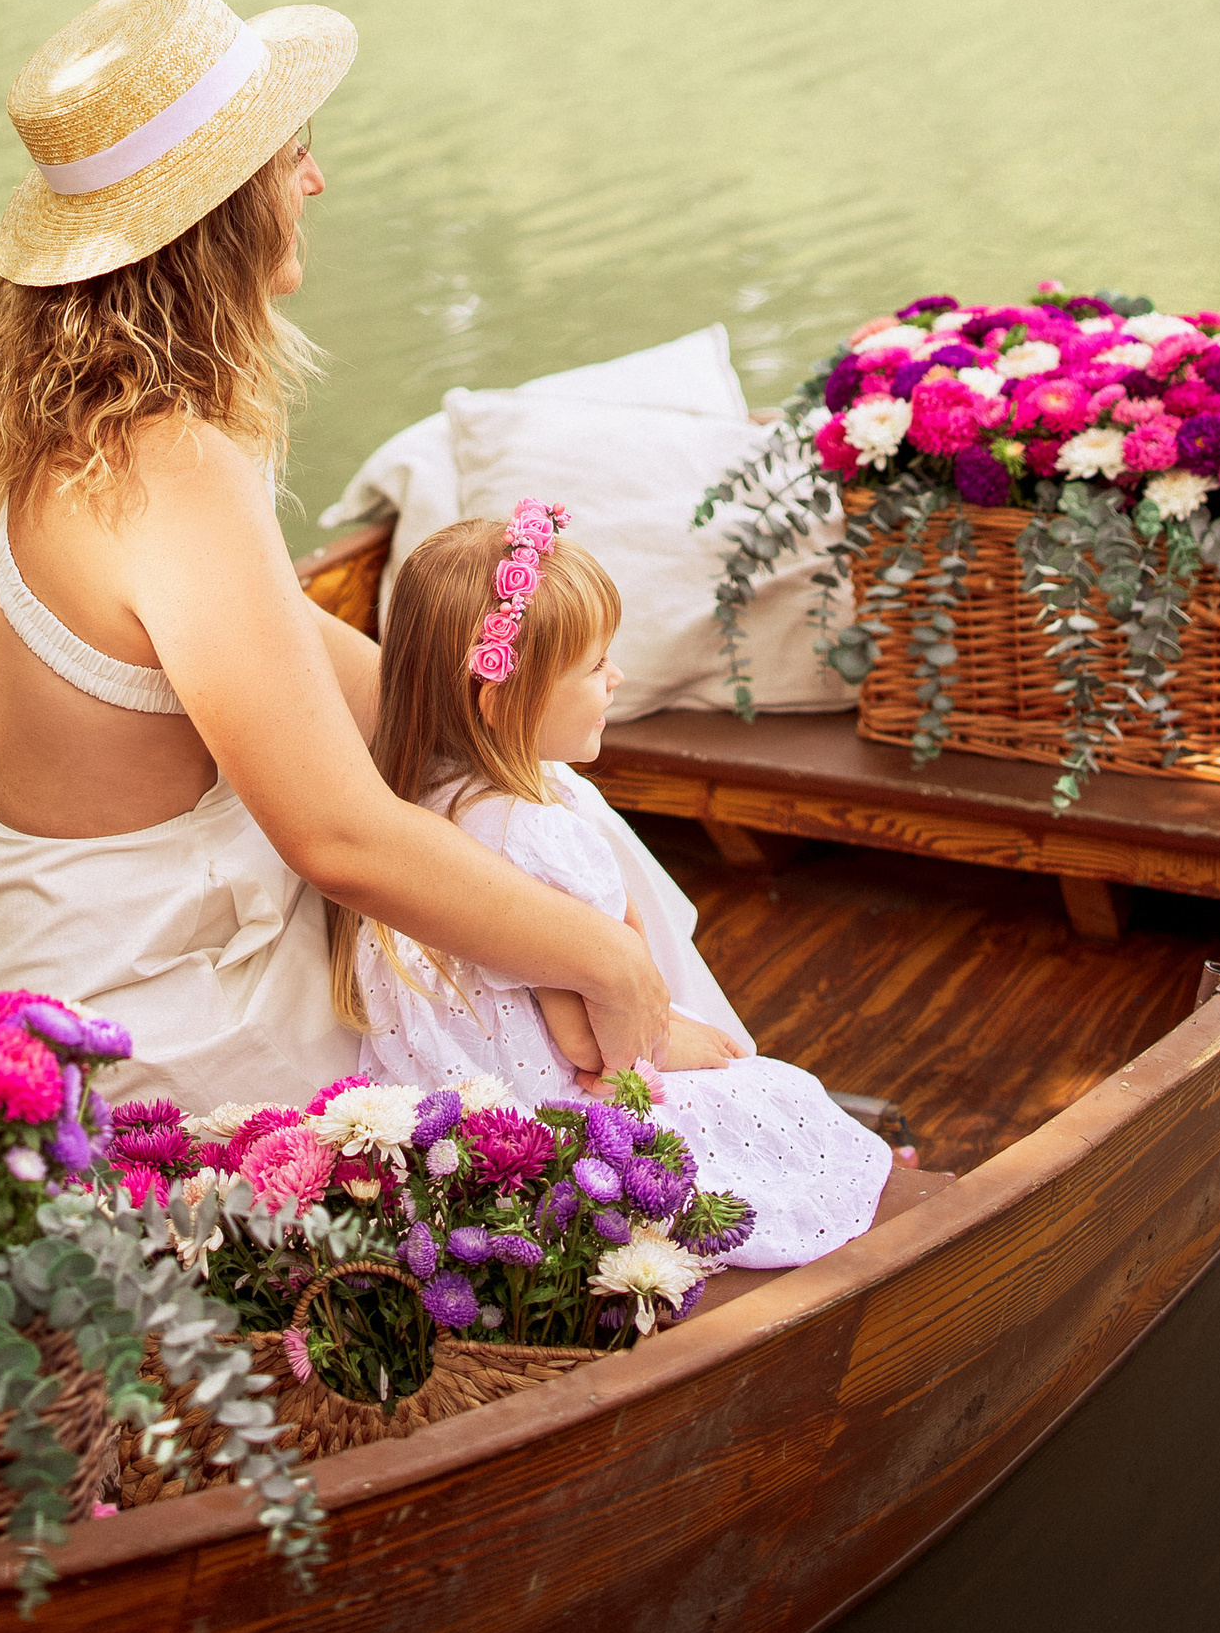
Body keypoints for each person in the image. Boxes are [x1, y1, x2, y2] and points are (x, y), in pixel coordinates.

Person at [0, 0, 678, 1113]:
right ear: (221, 212)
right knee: (533, 892)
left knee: (529, 793)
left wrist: (479, 716)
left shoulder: (31, 430)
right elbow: (337, 839)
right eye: (289, 152)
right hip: (129, 1006)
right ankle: (686, 1096)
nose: (314, 178)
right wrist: (608, 962)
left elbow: (282, 648)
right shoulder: (168, 466)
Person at [332, 510, 955, 1251]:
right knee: (773, 1092)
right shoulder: (536, 836)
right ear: (501, 701)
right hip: (548, 1107)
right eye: (596, 666)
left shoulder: (411, 812)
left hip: (449, 1106)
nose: (616, 677)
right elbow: (583, 1041)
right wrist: (679, 1045)